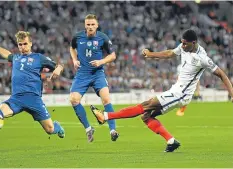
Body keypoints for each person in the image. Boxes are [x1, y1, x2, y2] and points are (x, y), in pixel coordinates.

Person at [90, 29, 233, 152]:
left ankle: (106, 116)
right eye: (181, 42)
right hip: (176, 90)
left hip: (181, 94)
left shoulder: (202, 58)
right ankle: (171, 141)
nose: (182, 46)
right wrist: (151, 54)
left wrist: (231, 94)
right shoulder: (184, 47)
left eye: (185, 43)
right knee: (146, 116)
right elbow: (170, 53)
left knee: (145, 105)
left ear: (194, 43)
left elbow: (222, 74)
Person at [0, 31, 65, 139]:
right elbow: (6, 54)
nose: (23, 47)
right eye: (20, 44)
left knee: (50, 129)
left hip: (33, 99)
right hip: (16, 98)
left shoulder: (38, 58)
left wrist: (58, 69)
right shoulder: (16, 58)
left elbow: (59, 65)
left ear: (31, 43)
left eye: (25, 44)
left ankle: (58, 127)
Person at [69, 14, 119, 142]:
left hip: (97, 74)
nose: (90, 27)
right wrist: (74, 60)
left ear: (97, 25)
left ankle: (113, 130)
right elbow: (72, 47)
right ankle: (88, 128)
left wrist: (101, 62)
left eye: (92, 24)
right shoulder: (78, 37)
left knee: (106, 98)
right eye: (88, 25)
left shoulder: (103, 37)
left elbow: (113, 55)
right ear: (85, 25)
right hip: (82, 74)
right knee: (74, 99)